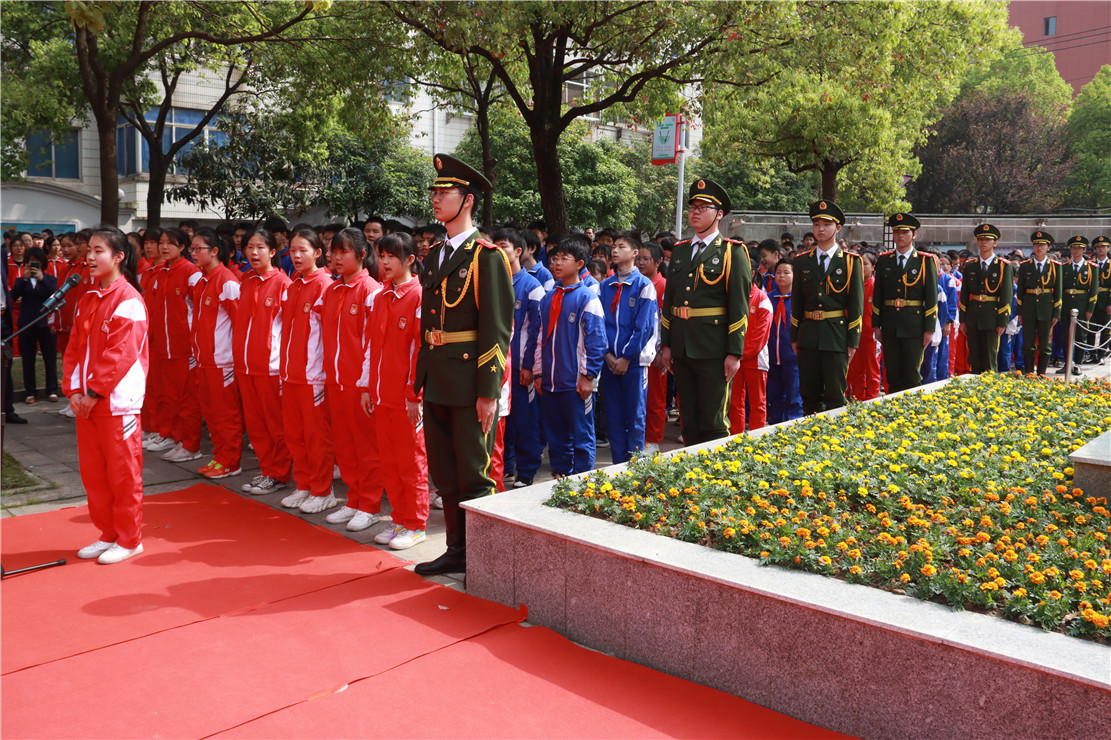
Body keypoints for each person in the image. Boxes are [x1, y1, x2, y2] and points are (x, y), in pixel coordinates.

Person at [413, 154, 513, 576]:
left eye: (444, 193)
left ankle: (485, 557)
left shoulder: (486, 257)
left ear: (467, 200)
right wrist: (421, 378)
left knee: (474, 473)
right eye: (433, 192)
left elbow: (497, 329)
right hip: (438, 378)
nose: (436, 199)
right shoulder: (434, 256)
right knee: (445, 472)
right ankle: (457, 549)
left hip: (470, 380)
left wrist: (488, 392)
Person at [65, 227, 149, 565]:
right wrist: (73, 391)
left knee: (123, 474)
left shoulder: (128, 300)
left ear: (118, 256)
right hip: (87, 403)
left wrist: (94, 392)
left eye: (98, 251)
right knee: (94, 474)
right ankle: (108, 533)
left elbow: (120, 355)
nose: (89, 257)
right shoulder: (88, 297)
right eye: (89, 251)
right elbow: (74, 349)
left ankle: (130, 538)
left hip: (117, 405)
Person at [659, 179, 752, 445]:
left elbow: (739, 307)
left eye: (703, 207)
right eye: (692, 207)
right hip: (682, 346)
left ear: (719, 213)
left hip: (714, 348)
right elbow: (670, 303)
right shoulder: (679, 252)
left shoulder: (732, 252)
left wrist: (734, 352)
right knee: (689, 417)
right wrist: (666, 345)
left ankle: (715, 476)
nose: (695, 212)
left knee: (714, 420)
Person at [363, 232, 429, 549]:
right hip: (381, 395)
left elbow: (420, 350)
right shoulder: (379, 297)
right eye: (381, 256)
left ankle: (416, 524)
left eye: (391, 256)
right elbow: (371, 348)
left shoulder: (419, 296)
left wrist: (414, 395)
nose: (384, 262)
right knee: (389, 461)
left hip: (407, 399)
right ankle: (399, 519)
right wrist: (367, 387)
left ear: (410, 260)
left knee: (411, 462)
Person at [314, 228, 384, 530]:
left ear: (362, 255)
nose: (335, 257)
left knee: (366, 448)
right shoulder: (330, 289)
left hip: (359, 385)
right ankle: (353, 499)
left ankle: (369, 504)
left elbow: (374, 343)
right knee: (343, 446)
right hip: (335, 381)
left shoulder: (371, 291)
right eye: (333, 251)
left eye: (343, 252)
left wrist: (366, 383)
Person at [275, 228, 337, 511]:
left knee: (316, 438)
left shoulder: (325, 286)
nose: (297, 256)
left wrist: (323, 375)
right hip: (290, 374)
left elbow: (329, 336)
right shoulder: (292, 286)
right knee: (295, 436)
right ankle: (304, 486)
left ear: (318, 253)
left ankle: (323, 491)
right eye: (293, 251)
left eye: (303, 250)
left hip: (314, 377)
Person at [536, 235, 606, 475]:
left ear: (579, 264)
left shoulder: (588, 298)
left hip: (576, 383)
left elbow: (596, 341)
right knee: (556, 435)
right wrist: (538, 372)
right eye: (555, 258)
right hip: (550, 382)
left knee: (581, 435)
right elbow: (539, 338)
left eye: (564, 258)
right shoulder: (547, 298)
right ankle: (560, 476)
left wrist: (588, 376)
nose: (556, 263)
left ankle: (583, 483)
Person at [790, 200, 864, 415]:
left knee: (835, 397)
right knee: (809, 395)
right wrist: (794, 337)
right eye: (816, 224)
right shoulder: (802, 261)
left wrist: (853, 341)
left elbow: (856, 306)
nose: (820, 229)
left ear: (838, 228)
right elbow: (797, 303)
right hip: (808, 335)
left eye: (826, 224)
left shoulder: (850, 262)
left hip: (835, 336)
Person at [234, 229, 292, 494]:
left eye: (260, 247)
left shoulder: (282, 283)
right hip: (246, 366)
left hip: (271, 367)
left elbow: (290, 329)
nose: (253, 252)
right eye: (249, 247)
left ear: (272, 252)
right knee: (256, 426)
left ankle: (279, 474)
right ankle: (267, 470)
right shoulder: (246, 280)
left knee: (276, 425)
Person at [186, 229, 244, 479]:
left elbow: (239, 323)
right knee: (210, 413)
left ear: (214, 251)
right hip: (203, 360)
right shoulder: (202, 280)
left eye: (199, 248)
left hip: (222, 362)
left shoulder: (227, 281)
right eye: (192, 249)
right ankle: (220, 457)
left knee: (225, 414)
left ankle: (231, 461)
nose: (194, 253)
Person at [599, 231, 657, 463]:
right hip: (609, 363)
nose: (614, 250)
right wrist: (607, 355)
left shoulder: (644, 286)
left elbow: (643, 328)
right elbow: (598, 325)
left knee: (635, 415)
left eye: (620, 247)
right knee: (613, 414)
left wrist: (625, 358)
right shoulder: (604, 286)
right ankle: (617, 465)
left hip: (633, 363)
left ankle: (634, 466)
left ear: (634, 253)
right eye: (613, 246)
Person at [146, 228, 203, 462]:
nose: (164, 247)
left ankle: (191, 446)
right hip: (163, 348)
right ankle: (177, 439)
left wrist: (195, 346)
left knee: (187, 400)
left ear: (182, 247)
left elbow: (199, 313)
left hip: (185, 350)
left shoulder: (191, 273)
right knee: (170, 398)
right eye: (161, 243)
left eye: (170, 243)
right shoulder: (160, 273)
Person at [492, 229, 543, 488]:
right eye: (495, 246)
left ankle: (526, 470)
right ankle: (506, 467)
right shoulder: (493, 282)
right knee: (503, 423)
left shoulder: (532, 286)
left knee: (525, 421)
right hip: (497, 366)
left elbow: (537, 331)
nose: (498, 250)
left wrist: (529, 367)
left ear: (518, 251)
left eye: (503, 246)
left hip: (520, 368)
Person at [871, 213, 938, 394]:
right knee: (892, 374)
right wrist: (876, 324)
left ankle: (910, 413)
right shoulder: (885, 260)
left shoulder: (925, 261)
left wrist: (929, 328)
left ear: (914, 235)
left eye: (905, 232)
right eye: (896, 232)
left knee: (912, 374)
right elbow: (878, 295)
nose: (900, 236)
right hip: (890, 323)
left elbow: (931, 298)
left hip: (914, 325)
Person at [958, 224, 1013, 374]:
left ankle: (989, 391)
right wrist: (963, 319)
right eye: (981, 239)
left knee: (990, 358)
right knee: (974, 358)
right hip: (973, 316)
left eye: (988, 240)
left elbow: (1006, 297)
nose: (983, 242)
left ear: (995, 243)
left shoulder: (1003, 266)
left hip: (992, 317)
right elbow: (964, 295)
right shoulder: (970, 266)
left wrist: (1002, 322)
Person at [11, 247, 59, 404]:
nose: (33, 265)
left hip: (46, 323)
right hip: (27, 324)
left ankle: (52, 390)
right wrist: (25, 279)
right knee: (28, 359)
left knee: (50, 358)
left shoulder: (50, 279)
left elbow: (54, 293)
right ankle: (30, 392)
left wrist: (42, 278)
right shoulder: (21, 281)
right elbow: (14, 296)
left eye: (36, 262)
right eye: (30, 261)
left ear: (42, 263)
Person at [728, 274, 772, 433]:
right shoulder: (733, 295)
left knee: (757, 403)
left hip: (755, 359)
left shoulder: (762, 299)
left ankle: (757, 440)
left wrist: (737, 353)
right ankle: (735, 438)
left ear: (751, 273)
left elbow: (760, 336)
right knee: (735, 402)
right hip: (735, 358)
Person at [1015, 231, 1062, 377]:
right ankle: (1029, 373)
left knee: (1045, 345)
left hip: (1046, 309)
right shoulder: (1025, 266)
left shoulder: (1055, 266)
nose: (1039, 248)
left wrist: (1056, 313)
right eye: (1036, 245)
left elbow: (1058, 293)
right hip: (1028, 308)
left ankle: (1041, 374)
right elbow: (1021, 291)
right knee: (1028, 343)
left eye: (1042, 245)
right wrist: (1019, 312)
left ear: (1048, 248)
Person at [637, 242, 667, 454]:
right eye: (639, 259)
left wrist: (662, 349)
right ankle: (638, 437)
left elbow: (667, 321)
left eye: (645, 259)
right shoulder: (636, 283)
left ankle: (653, 439)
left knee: (655, 397)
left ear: (658, 262)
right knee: (638, 397)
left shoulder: (664, 285)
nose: (640, 263)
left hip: (656, 352)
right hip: (637, 351)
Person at [766, 259, 803, 424]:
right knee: (774, 394)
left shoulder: (799, 300)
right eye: (778, 272)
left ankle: (794, 424)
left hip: (792, 357)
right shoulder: (768, 298)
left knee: (794, 394)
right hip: (772, 356)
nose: (781, 276)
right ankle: (775, 425)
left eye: (786, 272)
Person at [1057, 235, 1098, 374]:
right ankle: (1068, 363)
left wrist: (1090, 309)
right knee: (1065, 336)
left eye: (1079, 248)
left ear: (1084, 249)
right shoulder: (1064, 267)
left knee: (1081, 336)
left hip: (1082, 305)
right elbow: (1060, 289)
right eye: (1074, 248)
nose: (1076, 251)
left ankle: (1078, 363)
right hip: (1067, 305)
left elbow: (1093, 290)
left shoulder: (1092, 267)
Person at [846, 251, 881, 401]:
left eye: (866, 264)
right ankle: (857, 398)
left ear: (873, 267)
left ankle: (872, 398)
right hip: (855, 335)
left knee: (872, 369)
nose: (862, 267)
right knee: (855, 369)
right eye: (860, 263)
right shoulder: (853, 285)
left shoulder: (875, 286)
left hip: (871, 335)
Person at [1091, 235, 1110, 363]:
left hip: (1106, 300)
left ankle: (1102, 354)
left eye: (1103, 247)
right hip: (1093, 300)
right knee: (1091, 328)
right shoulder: (1091, 265)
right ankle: (1092, 354)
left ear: (1108, 248)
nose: (1101, 249)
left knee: (1105, 329)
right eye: (1098, 247)